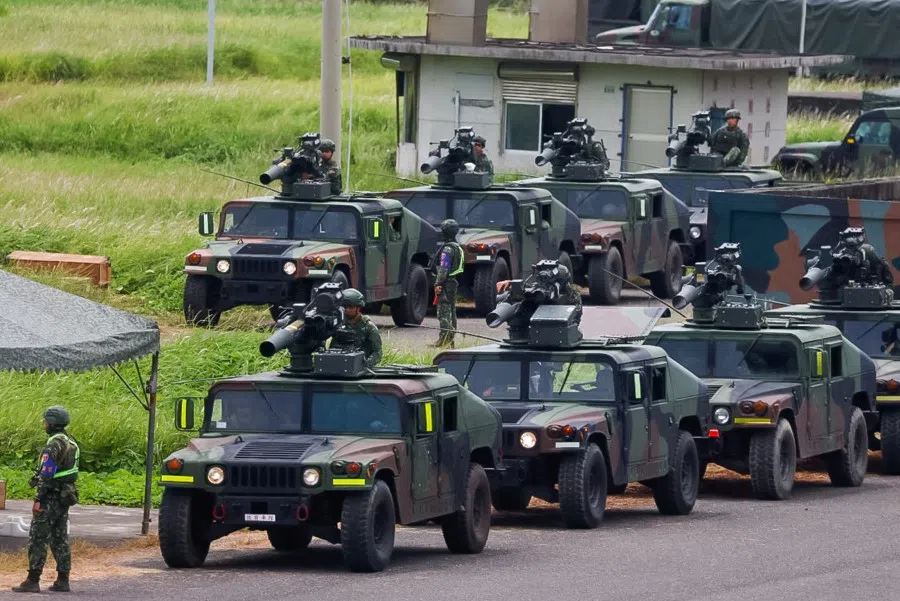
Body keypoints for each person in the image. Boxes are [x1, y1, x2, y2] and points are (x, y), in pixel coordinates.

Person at [13, 406, 80, 594]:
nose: (44, 425)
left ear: (51, 423)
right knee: (60, 538)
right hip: (65, 497)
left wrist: (38, 500)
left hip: (50, 497)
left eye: (45, 422)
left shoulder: (53, 445)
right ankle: (63, 580)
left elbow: (47, 475)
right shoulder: (71, 442)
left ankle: (32, 580)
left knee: (38, 538)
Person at [495, 261, 582, 325]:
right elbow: (526, 291)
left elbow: (576, 317)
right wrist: (512, 284)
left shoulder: (572, 293)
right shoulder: (537, 291)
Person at [329, 288, 382, 368]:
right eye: (344, 306)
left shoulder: (368, 327)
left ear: (358, 308)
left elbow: (377, 352)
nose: (346, 310)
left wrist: (366, 365)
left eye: (350, 307)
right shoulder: (336, 323)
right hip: (335, 365)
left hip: (359, 367)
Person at [434, 219, 464, 347]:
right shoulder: (458, 247)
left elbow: (443, 268)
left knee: (443, 312)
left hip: (446, 283)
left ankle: (445, 339)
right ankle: (450, 340)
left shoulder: (447, 249)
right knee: (452, 311)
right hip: (453, 282)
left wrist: (437, 283)